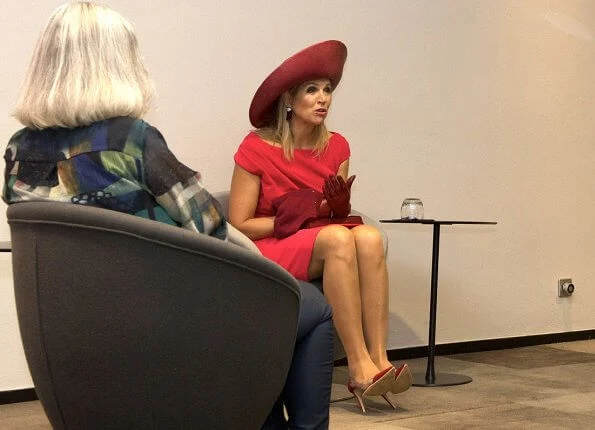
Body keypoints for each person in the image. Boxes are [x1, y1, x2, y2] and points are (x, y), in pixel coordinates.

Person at [2, 3, 333, 429]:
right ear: (121, 64)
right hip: (160, 323)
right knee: (310, 306)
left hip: (72, 337)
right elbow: (210, 228)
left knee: (265, 320)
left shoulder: (17, 149)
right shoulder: (132, 139)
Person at [229, 40, 412, 413]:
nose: (323, 98)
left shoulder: (337, 147)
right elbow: (240, 223)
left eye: (327, 90)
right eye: (311, 90)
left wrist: (334, 209)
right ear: (288, 100)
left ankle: (380, 359)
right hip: (271, 246)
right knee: (337, 240)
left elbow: (332, 217)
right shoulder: (256, 147)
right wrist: (294, 219)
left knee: (369, 237)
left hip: (319, 241)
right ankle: (357, 366)